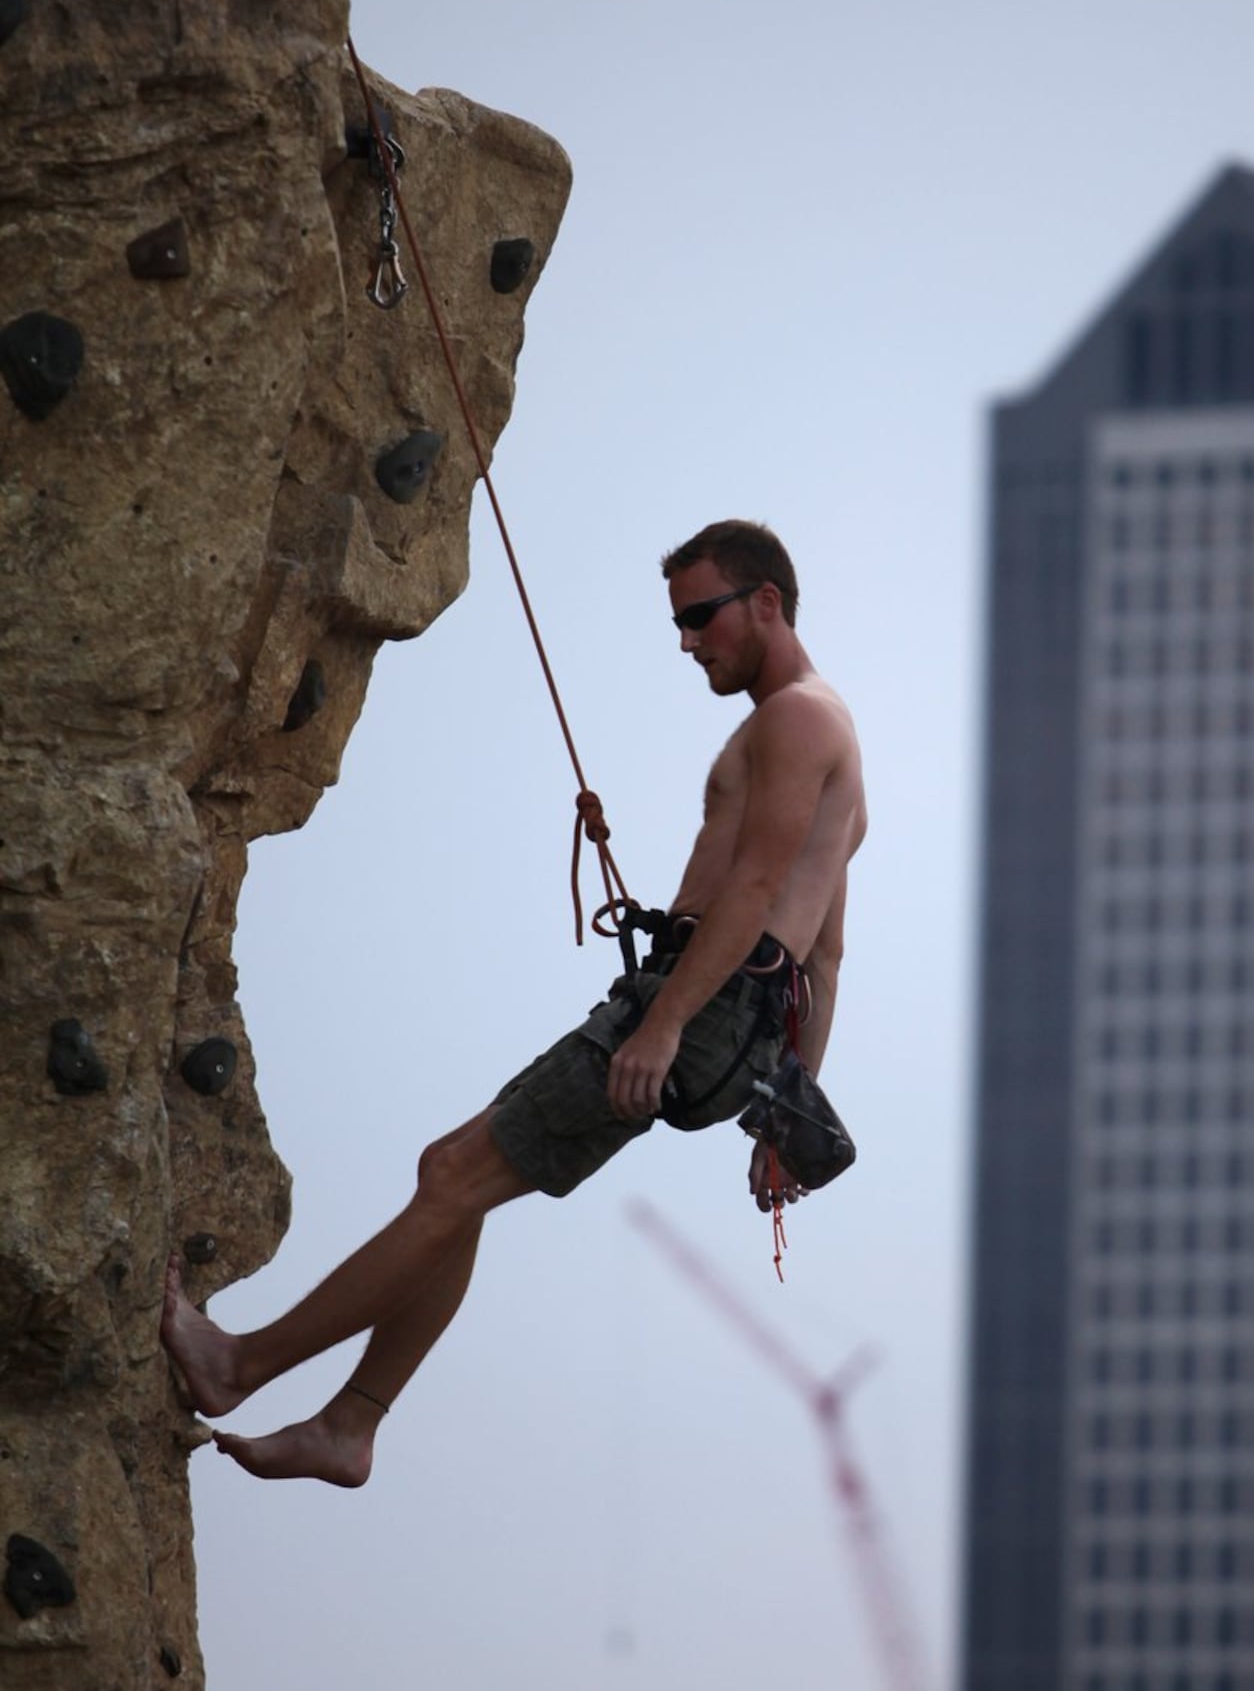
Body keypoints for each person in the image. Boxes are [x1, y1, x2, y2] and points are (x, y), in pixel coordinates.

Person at [160, 519, 866, 1487]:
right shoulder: (830, 730)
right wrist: (784, 1108)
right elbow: (825, 954)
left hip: (696, 1011)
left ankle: (239, 1364)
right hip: (724, 1027)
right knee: (462, 1182)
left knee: (452, 1174)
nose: (689, 640)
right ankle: (350, 1424)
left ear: (768, 602)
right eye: (680, 623)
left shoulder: (794, 721)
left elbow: (752, 897)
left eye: (701, 615)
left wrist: (662, 1026)